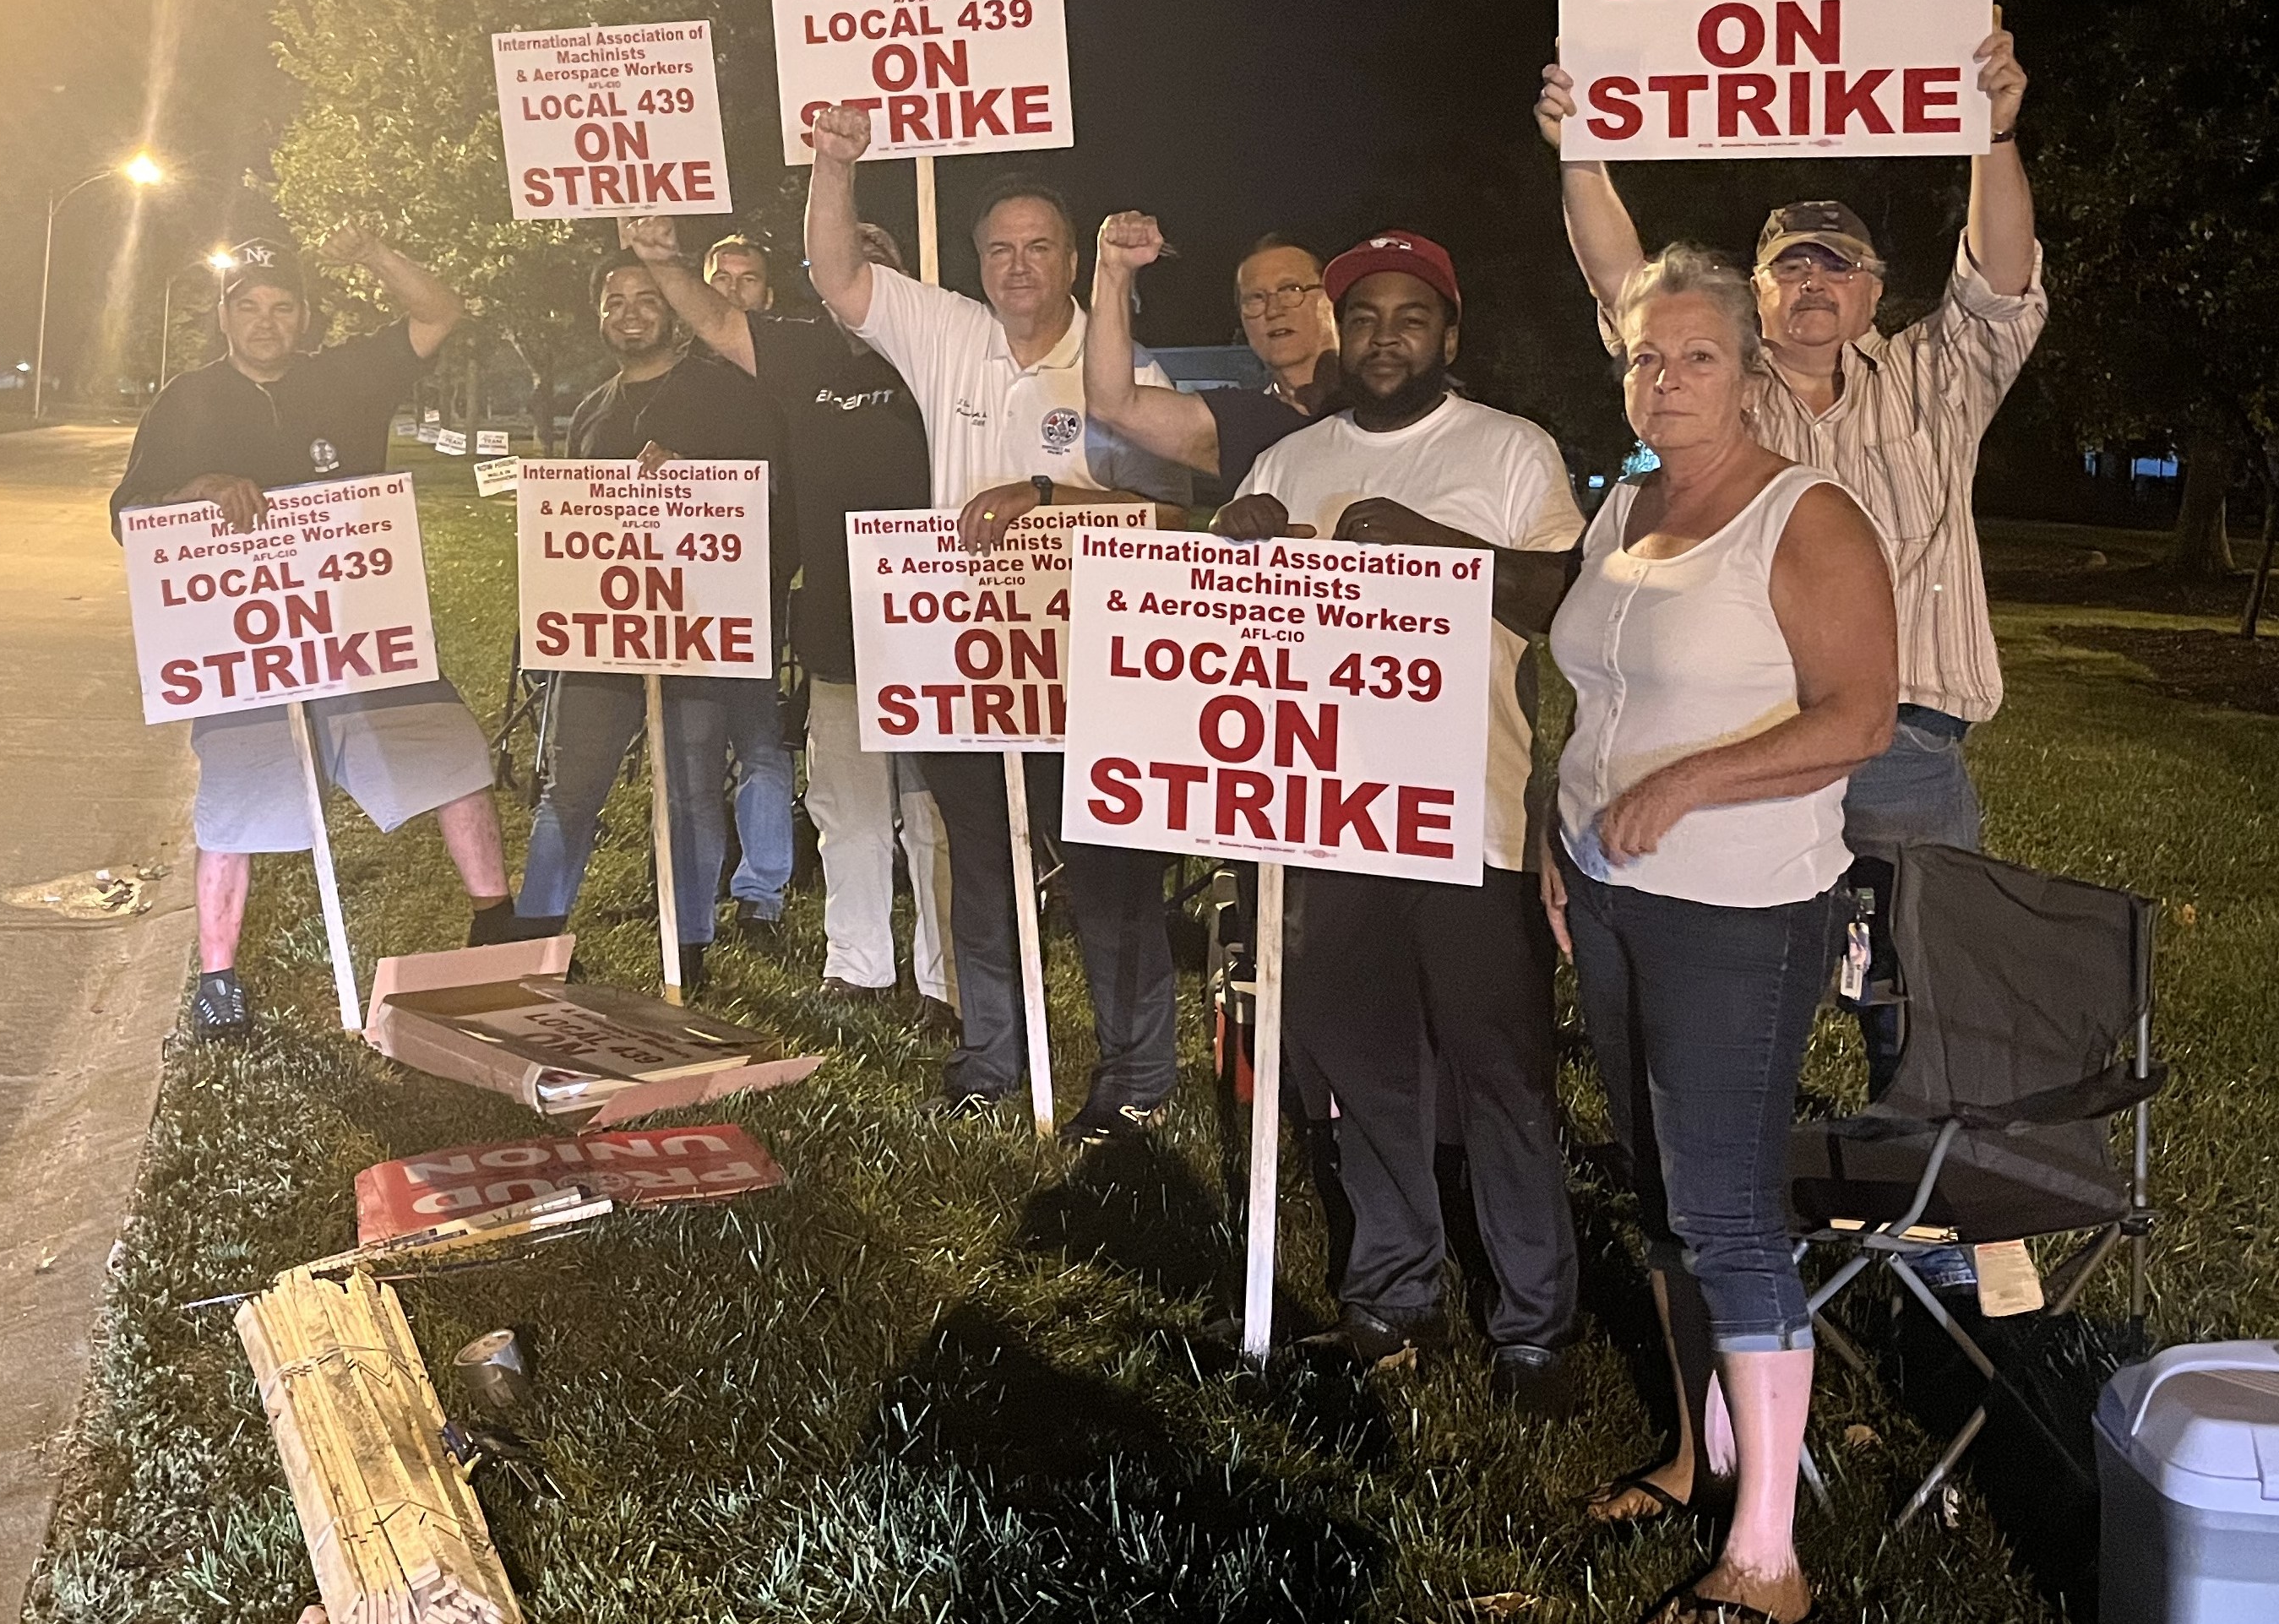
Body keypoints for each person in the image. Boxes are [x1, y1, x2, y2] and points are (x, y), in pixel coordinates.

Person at [1534, 16, 2042, 1101]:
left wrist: (1990, 136)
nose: (1812, 280)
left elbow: (1999, 280)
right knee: (1739, 994)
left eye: (1838, 264)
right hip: (1746, 742)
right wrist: (1581, 150)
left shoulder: (1933, 381)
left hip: (1904, 742)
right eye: (1786, 265)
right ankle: (1748, 1187)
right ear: (1754, 295)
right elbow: (1623, 285)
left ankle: (1940, 1224)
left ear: (1872, 291)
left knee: (1923, 994)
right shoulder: (1723, 383)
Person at [1542, 246, 1897, 1624]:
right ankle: (1703, 1456)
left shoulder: (1801, 517)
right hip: (1611, 891)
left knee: (1730, 1209)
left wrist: (1688, 781)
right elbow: (1594, 702)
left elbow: (1858, 715)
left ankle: (1766, 1554)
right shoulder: (1621, 504)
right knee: (1659, 1187)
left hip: (1740, 909)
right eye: (1644, 355)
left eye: (1695, 354)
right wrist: (1552, 847)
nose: (1666, 378)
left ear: (1744, 372)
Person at [1203, 226, 1587, 1408]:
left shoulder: (1510, 452)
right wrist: (1235, 545)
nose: (1383, 338)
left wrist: (1435, 548)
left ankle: (1535, 1325)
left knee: (1501, 1073)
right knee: (1360, 1065)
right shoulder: (1291, 461)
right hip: (1327, 820)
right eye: (1360, 317)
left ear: (1449, 335)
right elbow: (1219, 630)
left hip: (1472, 820)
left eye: (1409, 317)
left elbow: (1561, 602)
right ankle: (1393, 1289)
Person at [800, 102, 1193, 1147]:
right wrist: (835, 166)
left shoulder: (1125, 372)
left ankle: (1137, 1079)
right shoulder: (948, 333)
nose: (1018, 268)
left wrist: (1047, 498)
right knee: (981, 868)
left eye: (1038, 248)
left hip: (1087, 677)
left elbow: (1166, 515)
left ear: (1072, 260)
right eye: (998, 250)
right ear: (977, 264)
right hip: (967, 670)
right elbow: (837, 277)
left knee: (1109, 880)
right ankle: (991, 1060)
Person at [109, 230, 509, 1041]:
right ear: (224, 316)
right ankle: (217, 982)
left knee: (454, 757)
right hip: (246, 648)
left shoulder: (346, 377)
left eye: (283, 306)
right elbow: (129, 514)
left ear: (305, 317)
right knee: (232, 809)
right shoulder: (186, 399)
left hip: (363, 631)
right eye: (248, 306)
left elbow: (438, 312)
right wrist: (198, 487)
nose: (265, 321)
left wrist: (374, 254)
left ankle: (496, 926)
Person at [612, 214, 956, 1029]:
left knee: (934, 815)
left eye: (880, 258)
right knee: (847, 806)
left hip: (935, 627)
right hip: (837, 624)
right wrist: (662, 260)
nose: (861, 275)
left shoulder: (944, 354)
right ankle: (859, 966)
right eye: (846, 260)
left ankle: (945, 983)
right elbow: (717, 321)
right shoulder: (803, 355)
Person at [508, 234, 798, 986]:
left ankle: (689, 940)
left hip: (694, 632)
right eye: (616, 303)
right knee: (569, 788)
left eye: (648, 300)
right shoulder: (592, 410)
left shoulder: (727, 393)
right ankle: (535, 937)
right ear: (599, 317)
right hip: (603, 640)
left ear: (674, 309)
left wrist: (698, 480)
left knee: (693, 787)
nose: (632, 315)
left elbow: (767, 497)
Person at [1080, 224, 1341, 497]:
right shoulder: (1244, 423)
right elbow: (1114, 403)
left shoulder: (1379, 402)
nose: (1273, 310)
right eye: (1255, 298)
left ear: (1331, 299)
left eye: (1291, 290)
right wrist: (1113, 268)